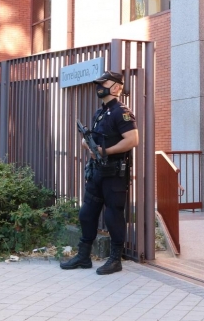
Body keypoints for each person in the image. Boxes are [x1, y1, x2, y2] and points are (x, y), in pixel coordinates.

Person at [60, 71, 139, 275]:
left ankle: (115, 260)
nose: (99, 86)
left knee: (113, 215)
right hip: (97, 172)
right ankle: (83, 256)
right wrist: (87, 144)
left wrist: (106, 152)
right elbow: (95, 140)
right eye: (98, 83)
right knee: (87, 214)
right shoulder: (100, 113)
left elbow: (132, 140)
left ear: (116, 87)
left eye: (103, 83)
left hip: (114, 174)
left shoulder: (122, 112)